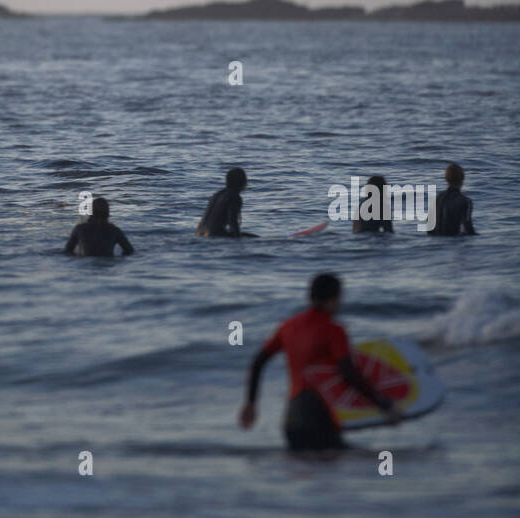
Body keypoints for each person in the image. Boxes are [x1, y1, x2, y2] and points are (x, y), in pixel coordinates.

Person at [239, 274, 400, 452]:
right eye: (340, 297)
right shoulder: (334, 330)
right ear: (333, 299)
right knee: (336, 471)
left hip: (292, 420)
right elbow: (348, 373)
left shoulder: (288, 326)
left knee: (302, 476)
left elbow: (258, 362)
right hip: (319, 417)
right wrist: (383, 405)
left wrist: (251, 404)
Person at [64, 197, 134, 257]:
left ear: (91, 212)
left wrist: (79, 257)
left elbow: (67, 251)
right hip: (108, 262)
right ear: (108, 213)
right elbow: (129, 251)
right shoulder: (114, 230)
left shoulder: (80, 229)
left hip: (86, 262)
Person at [195, 167, 251, 237]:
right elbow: (232, 222)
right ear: (241, 182)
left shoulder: (216, 195)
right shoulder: (234, 197)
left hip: (198, 234)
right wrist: (238, 241)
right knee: (253, 238)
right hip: (214, 236)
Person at [432, 163, 475, 236]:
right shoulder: (465, 201)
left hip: (436, 241)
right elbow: (468, 228)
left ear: (446, 178)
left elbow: (429, 227)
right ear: (463, 178)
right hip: (455, 241)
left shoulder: (437, 198)